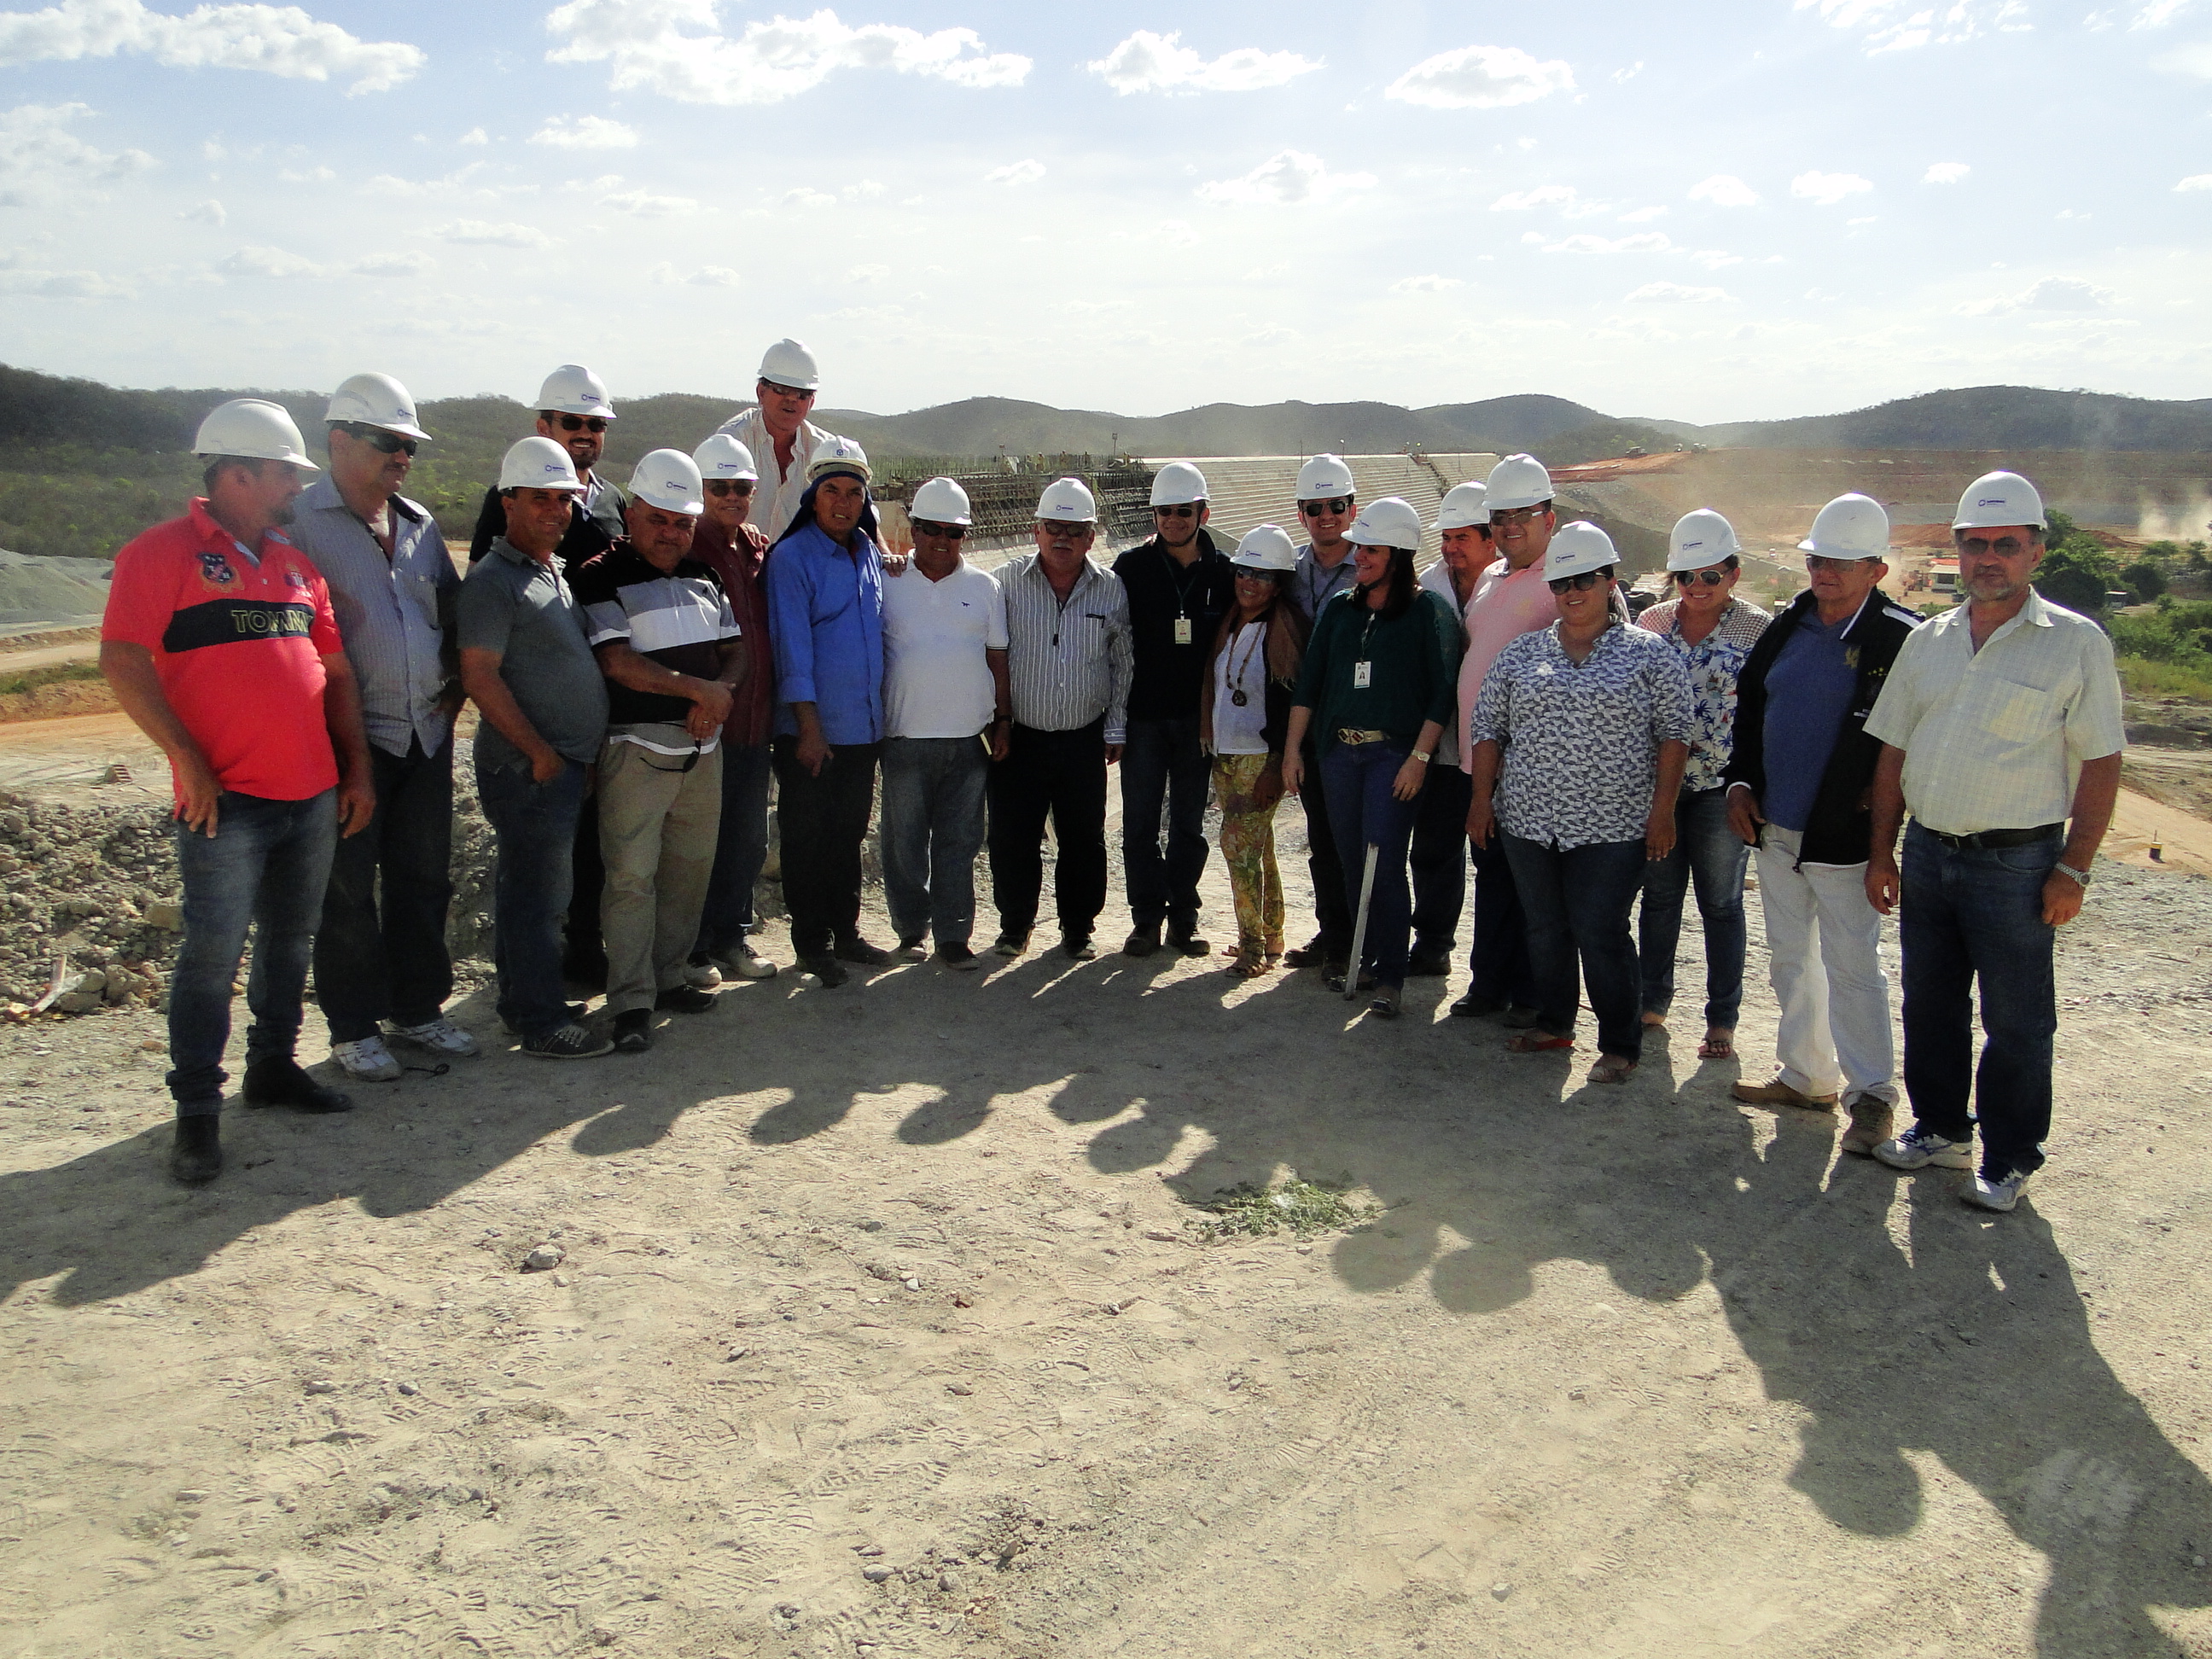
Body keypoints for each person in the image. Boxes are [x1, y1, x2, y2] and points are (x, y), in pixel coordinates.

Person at [101, 399, 377, 1184]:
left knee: (290, 943)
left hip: (312, 794)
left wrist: (354, 770)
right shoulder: (160, 555)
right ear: (236, 471)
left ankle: (273, 1068)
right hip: (227, 803)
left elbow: (337, 676)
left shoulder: (295, 564)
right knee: (211, 955)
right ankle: (196, 1111)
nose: (295, 484)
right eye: (286, 470)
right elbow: (122, 660)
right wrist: (187, 760)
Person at [1862, 470, 2125, 1213]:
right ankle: (1942, 1129)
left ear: (2036, 551)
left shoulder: (2074, 645)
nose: (1988, 558)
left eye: (2005, 544)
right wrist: (1884, 852)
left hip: (2018, 863)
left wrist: (2074, 866)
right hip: (1930, 853)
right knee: (1931, 1003)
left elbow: (2102, 759)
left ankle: (2009, 1158)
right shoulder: (1930, 642)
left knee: (2016, 1019)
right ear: (1957, 549)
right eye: (1975, 544)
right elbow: (1892, 753)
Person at [288, 374, 474, 1086]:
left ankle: (417, 1008)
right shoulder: (299, 524)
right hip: (345, 743)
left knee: (422, 879)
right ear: (339, 442)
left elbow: (447, 620)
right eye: (389, 444)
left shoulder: (421, 527)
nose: (402, 458)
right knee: (346, 890)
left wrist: (448, 703)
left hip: (422, 737)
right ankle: (354, 1026)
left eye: (410, 448)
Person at [1466, 521, 1694, 1083]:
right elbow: (1488, 727)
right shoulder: (1522, 655)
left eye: (1585, 580)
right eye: (1563, 581)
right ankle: (1555, 1023)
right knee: (1544, 928)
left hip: (1613, 830)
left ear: (1609, 580)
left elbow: (1675, 733)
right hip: (1528, 823)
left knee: (1601, 930)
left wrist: (1663, 812)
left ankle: (1620, 1045)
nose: (1572, 592)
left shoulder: (1649, 655)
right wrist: (1481, 801)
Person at [1725, 494, 1918, 1152]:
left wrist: (1886, 823)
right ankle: (1807, 1076)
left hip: (1844, 838)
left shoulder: (1901, 637)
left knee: (1853, 965)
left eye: (1841, 562)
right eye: (1817, 559)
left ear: (1876, 570)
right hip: (1776, 830)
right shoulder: (1790, 624)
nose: (1825, 572)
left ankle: (1871, 1098)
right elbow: (1749, 711)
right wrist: (1741, 783)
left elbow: (1921, 733)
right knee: (1789, 960)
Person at [573, 450, 743, 1053]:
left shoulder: (704, 574)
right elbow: (617, 661)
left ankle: (670, 977)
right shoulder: (597, 575)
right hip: (636, 753)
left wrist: (717, 695)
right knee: (630, 879)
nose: (671, 533)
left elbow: (735, 648)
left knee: (688, 872)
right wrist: (696, 689)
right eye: (659, 519)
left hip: (703, 746)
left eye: (682, 521)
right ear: (632, 512)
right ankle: (630, 1001)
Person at [457, 437, 614, 1062]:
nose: (556, 510)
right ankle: (539, 1020)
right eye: (541, 499)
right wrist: (542, 752)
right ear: (508, 502)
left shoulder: (548, 571)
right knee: (537, 898)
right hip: (528, 769)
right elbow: (479, 676)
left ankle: (527, 997)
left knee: (539, 892)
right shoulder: (493, 583)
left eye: (565, 500)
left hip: (561, 766)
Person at [1281, 498, 1464, 1019]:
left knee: (1382, 862)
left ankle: (1390, 978)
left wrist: (1419, 758)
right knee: (1349, 860)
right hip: (1339, 754)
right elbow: (1309, 686)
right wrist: (1296, 751)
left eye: (1371, 548)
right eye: (1359, 546)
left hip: (1393, 756)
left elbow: (1441, 692)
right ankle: (1364, 957)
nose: (1358, 555)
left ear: (1400, 554)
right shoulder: (1340, 609)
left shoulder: (1430, 612)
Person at [1634, 509, 1772, 1063]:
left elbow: (1767, 714)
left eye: (1710, 576)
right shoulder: (1651, 624)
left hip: (1723, 791)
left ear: (1734, 574)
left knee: (1720, 904)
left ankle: (1722, 1019)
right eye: (1685, 576)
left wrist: (1756, 786)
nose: (1696, 587)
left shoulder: (1760, 630)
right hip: (1660, 789)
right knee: (1660, 899)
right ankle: (1652, 1002)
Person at [764, 437, 894, 986]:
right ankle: (811, 943)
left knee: (848, 834)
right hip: (812, 732)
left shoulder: (865, 551)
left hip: (862, 728)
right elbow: (792, 650)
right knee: (806, 838)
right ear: (812, 497)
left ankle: (846, 931)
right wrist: (809, 730)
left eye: (854, 493)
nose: (843, 502)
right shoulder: (792, 559)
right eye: (832, 491)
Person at [989, 477, 1134, 960]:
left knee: (1082, 840)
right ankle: (1015, 926)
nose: (1063, 538)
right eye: (1054, 526)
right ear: (1036, 530)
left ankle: (1077, 928)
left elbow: (1123, 662)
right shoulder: (1006, 583)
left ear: (1092, 536)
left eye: (1075, 529)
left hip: (1082, 739)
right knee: (1014, 837)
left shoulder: (1110, 589)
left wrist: (1115, 725)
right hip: (1020, 736)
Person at [879, 477, 1010, 969]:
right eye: (930, 528)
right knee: (903, 843)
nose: (941, 540)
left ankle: (953, 936)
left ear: (965, 538)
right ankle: (911, 927)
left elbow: (998, 660)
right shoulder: (888, 581)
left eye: (953, 532)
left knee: (959, 842)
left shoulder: (985, 588)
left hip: (966, 740)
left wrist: (1004, 722)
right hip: (904, 738)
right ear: (912, 530)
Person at [1449, 453, 1562, 1022]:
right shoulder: (1491, 579)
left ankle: (1531, 994)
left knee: (1532, 888)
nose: (1509, 525)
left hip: (1531, 769)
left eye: (1523, 514)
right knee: (1492, 877)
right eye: (1500, 516)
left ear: (1550, 517)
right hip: (1480, 762)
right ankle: (1488, 984)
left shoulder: (1566, 579)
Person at [1115, 461, 1236, 958]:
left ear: (1202, 513)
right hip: (1143, 717)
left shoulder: (1225, 572)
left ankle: (1183, 919)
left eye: (1183, 511)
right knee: (1140, 823)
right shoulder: (1131, 567)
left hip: (1196, 721)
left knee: (1188, 823)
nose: (1173, 520)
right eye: (1164, 511)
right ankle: (1146, 920)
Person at [684, 433, 778, 984]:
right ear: (701, 490)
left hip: (752, 722)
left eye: (741, 488)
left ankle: (732, 939)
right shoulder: (689, 547)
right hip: (702, 724)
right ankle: (692, 948)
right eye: (720, 487)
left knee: (745, 840)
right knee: (698, 844)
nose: (731, 497)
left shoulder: (754, 547)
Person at [1201, 524, 1307, 977]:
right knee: (1258, 847)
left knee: (1235, 846)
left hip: (1258, 760)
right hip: (1225, 754)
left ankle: (1252, 947)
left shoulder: (1286, 631)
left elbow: (1290, 706)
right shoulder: (1229, 621)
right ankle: (1273, 934)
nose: (1249, 582)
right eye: (1244, 570)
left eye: (1262, 576)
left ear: (1279, 583)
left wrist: (1275, 765)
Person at [1282, 453, 1360, 975]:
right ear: (1301, 512)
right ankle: (1334, 933)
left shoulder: (1376, 565)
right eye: (1316, 507)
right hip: (1308, 725)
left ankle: (1359, 941)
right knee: (1322, 838)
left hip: (1355, 725)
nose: (1326, 516)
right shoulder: (1290, 571)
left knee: (1355, 838)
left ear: (1352, 509)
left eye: (1336, 505)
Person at [1406, 480, 1488, 977]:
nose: (1452, 547)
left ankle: (1497, 970)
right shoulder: (1429, 585)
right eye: (1446, 537)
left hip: (1495, 748)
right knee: (1434, 848)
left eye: (1463, 537)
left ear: (1490, 539)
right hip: (1438, 747)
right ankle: (1433, 942)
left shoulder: (1509, 588)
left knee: (1494, 855)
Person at [466, 364, 626, 570]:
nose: (585, 433)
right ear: (544, 428)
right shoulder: (511, 495)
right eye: (571, 422)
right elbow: (481, 578)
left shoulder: (613, 498)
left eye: (596, 424)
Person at [715, 339, 836, 543]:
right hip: (737, 563)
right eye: (781, 390)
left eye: (802, 394)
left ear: (812, 402)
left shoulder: (824, 451)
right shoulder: (732, 442)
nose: (791, 400)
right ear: (761, 392)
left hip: (797, 569)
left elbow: (860, 511)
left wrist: (886, 555)